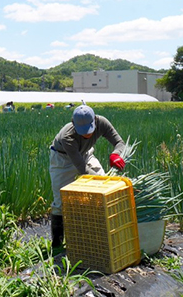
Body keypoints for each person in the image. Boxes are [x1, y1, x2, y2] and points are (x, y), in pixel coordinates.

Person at [48, 103, 126, 248]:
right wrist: (101, 182)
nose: (87, 134)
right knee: (60, 202)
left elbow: (119, 142)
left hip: (86, 154)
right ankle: (57, 244)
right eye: (82, 131)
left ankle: (102, 235)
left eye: (89, 130)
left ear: (94, 120)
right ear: (74, 124)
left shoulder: (102, 122)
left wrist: (116, 155)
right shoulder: (67, 136)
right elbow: (83, 169)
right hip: (63, 159)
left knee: (104, 190)